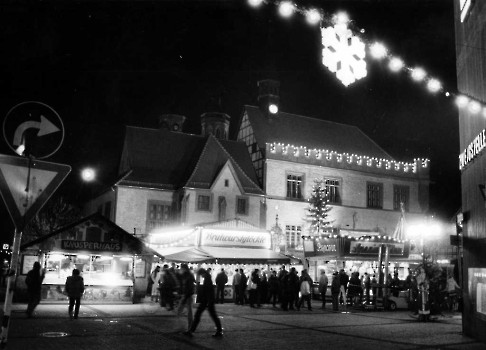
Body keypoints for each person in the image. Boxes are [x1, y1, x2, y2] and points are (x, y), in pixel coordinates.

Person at [183, 268, 223, 338]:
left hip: (207, 301)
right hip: (208, 300)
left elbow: (208, 291)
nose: (201, 276)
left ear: (202, 273)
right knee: (212, 315)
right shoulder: (208, 278)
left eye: (201, 275)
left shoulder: (207, 279)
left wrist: (208, 301)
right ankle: (219, 331)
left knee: (200, 315)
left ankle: (191, 331)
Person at [177, 264, 195, 332]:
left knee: (189, 312)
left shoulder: (188, 276)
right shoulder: (186, 275)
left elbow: (189, 287)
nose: (180, 270)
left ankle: (188, 328)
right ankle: (184, 327)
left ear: (184, 269)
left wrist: (185, 296)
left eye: (181, 268)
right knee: (183, 311)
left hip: (188, 296)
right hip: (186, 295)